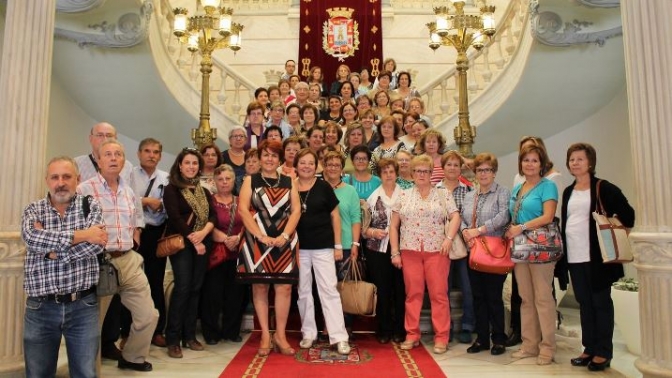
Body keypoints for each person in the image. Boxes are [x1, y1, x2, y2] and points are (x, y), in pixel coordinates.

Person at [22, 156, 107, 378]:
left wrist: (49, 252)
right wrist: (82, 235)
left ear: (77, 179)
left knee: (85, 373)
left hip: (83, 306)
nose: (61, 182)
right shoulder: (34, 210)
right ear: (47, 181)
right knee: (38, 373)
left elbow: (96, 246)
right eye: (55, 177)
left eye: (67, 176)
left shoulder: (90, 207)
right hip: (40, 307)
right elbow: (31, 239)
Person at [78, 140, 157, 372]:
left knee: (148, 315)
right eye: (108, 154)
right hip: (99, 262)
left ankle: (132, 357)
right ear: (99, 161)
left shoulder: (129, 192)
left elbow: (138, 220)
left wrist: (135, 236)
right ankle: (88, 369)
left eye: (118, 155)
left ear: (124, 161)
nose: (113, 158)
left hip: (129, 260)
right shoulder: (84, 190)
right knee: (94, 322)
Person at [558, 143, 634, 371]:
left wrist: (616, 233)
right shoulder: (569, 191)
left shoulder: (603, 188)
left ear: (590, 162)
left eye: (580, 159)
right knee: (585, 303)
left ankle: (603, 351)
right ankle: (589, 348)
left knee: (600, 303)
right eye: (572, 159)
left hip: (597, 258)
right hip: (574, 255)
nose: (575, 163)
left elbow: (628, 215)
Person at [389, 155, 461, 354]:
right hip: (409, 251)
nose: (422, 175)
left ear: (431, 173)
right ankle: (412, 334)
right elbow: (393, 227)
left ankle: (441, 337)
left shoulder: (443, 194)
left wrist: (448, 238)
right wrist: (394, 252)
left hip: (437, 251)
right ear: (412, 174)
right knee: (413, 295)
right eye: (418, 171)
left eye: (426, 171)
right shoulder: (403, 195)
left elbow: (456, 216)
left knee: (439, 295)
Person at [237, 140, 301, 357]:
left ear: (280, 158)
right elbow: (243, 210)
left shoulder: (289, 180)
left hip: (284, 241)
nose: (270, 159)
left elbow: (296, 211)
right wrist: (260, 235)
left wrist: (284, 235)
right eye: (266, 155)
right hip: (257, 240)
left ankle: (280, 335)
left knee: (284, 288)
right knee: (260, 288)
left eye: (274, 155)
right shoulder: (250, 180)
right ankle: (265, 334)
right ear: (259, 157)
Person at [507, 135, 564, 347]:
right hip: (521, 248)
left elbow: (548, 216)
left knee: (543, 298)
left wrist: (520, 228)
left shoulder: (548, 186)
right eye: (526, 160)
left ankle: (548, 347)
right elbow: (512, 215)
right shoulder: (518, 188)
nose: (529, 164)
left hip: (541, 248)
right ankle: (529, 345)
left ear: (542, 164)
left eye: (534, 160)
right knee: (526, 298)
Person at [294, 148, 352, 355]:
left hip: (324, 247)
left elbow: (335, 216)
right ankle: (308, 333)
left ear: (315, 166)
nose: (307, 166)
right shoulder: (290, 187)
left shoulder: (323, 186)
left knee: (328, 290)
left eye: (310, 163)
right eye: (303, 162)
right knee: (303, 291)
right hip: (299, 248)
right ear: (296, 165)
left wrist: (338, 245)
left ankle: (339, 336)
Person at [163, 148, 216, 358]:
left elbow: (213, 216)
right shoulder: (172, 189)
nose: (192, 167)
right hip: (182, 245)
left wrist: (203, 233)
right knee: (183, 288)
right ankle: (173, 338)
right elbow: (175, 218)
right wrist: (195, 239)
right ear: (179, 165)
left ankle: (189, 335)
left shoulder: (204, 191)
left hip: (203, 242)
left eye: (195, 164)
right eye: (188, 163)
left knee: (195, 289)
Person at [459, 153, 511, 356]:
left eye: (487, 169)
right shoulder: (471, 194)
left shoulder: (502, 192)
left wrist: (478, 231)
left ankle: (498, 339)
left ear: (494, 172)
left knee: (494, 297)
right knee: (477, 297)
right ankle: (482, 339)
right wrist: (465, 232)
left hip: (495, 253)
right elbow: (462, 217)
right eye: (479, 169)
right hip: (474, 253)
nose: (483, 173)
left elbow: (503, 216)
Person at [129, 138, 170, 348]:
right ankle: (127, 330)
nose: (151, 155)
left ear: (160, 156)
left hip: (155, 233)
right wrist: (145, 201)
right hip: (133, 233)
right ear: (138, 153)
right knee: (130, 283)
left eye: (155, 152)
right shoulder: (128, 175)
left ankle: (157, 330)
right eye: (147, 151)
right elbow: (125, 200)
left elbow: (170, 205)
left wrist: (160, 204)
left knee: (155, 281)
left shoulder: (166, 178)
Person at [200, 164, 246, 345]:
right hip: (215, 255)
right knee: (213, 294)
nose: (224, 182)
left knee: (236, 295)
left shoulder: (241, 201)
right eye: (220, 179)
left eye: (228, 178)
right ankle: (211, 333)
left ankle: (232, 332)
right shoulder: (208, 201)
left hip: (237, 253)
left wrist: (238, 237)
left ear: (234, 180)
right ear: (214, 181)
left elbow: (249, 222)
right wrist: (225, 238)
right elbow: (205, 223)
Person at [363, 158, 406, 344]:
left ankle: (400, 329)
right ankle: (383, 328)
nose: (388, 175)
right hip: (377, 249)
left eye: (391, 171)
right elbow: (363, 229)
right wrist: (372, 231)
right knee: (382, 289)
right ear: (379, 175)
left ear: (396, 173)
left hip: (402, 248)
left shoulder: (406, 195)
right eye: (385, 172)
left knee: (400, 289)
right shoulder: (373, 197)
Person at [436, 150, 475, 344]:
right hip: (441, 246)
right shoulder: (434, 189)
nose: (452, 168)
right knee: (443, 288)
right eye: (449, 164)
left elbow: (469, 217)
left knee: (467, 287)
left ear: (461, 169)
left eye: (456, 165)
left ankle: (467, 326)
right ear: (442, 168)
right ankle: (446, 327)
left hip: (462, 246)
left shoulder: (468, 190)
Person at [323, 151, 362, 338]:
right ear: (324, 167)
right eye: (329, 164)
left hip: (346, 245)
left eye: (336, 165)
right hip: (322, 246)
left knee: (343, 287)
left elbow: (356, 218)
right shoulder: (319, 188)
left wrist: (355, 244)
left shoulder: (350, 191)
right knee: (325, 288)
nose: (333, 168)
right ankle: (328, 324)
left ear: (341, 169)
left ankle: (345, 325)